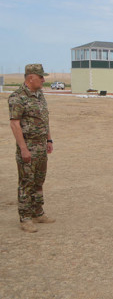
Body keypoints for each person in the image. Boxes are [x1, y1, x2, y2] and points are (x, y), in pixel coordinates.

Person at [8, 64, 56, 233]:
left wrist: (49, 139)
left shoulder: (40, 95)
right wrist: (23, 149)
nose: (43, 80)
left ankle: (38, 212)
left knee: (39, 181)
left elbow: (45, 119)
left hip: (41, 146)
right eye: (41, 77)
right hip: (28, 147)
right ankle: (25, 218)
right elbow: (15, 124)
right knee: (26, 182)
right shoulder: (17, 97)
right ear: (30, 78)